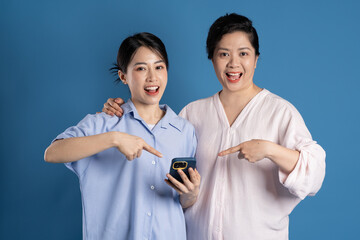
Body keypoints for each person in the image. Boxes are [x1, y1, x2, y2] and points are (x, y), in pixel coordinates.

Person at [102, 14, 326, 240]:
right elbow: (158, 163)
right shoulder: (192, 114)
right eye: (224, 54)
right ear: (212, 59)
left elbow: (315, 174)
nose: (233, 64)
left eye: (243, 54)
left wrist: (269, 150)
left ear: (256, 59)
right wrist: (120, 112)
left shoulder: (280, 112)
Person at [44, 32, 201, 240]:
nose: (152, 77)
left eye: (159, 67)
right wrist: (114, 138)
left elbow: (181, 202)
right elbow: (52, 153)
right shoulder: (103, 123)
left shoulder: (185, 131)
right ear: (123, 76)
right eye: (141, 68)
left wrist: (190, 195)